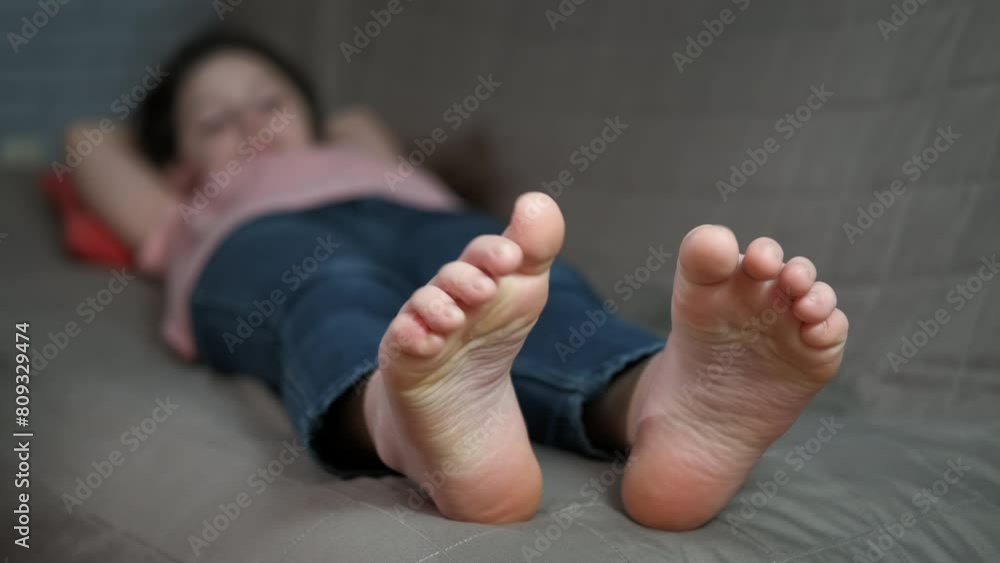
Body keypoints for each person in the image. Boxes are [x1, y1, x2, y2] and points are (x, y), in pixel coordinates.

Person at [66, 32, 849, 530]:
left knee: (525, 285)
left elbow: (354, 125)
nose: (251, 124)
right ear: (176, 165)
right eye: (215, 121)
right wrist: (211, 151)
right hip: (263, 244)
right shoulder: (187, 211)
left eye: (270, 102)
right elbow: (84, 139)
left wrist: (310, 129)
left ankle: (657, 398)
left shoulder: (371, 156)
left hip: (420, 224)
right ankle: (407, 420)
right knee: (333, 291)